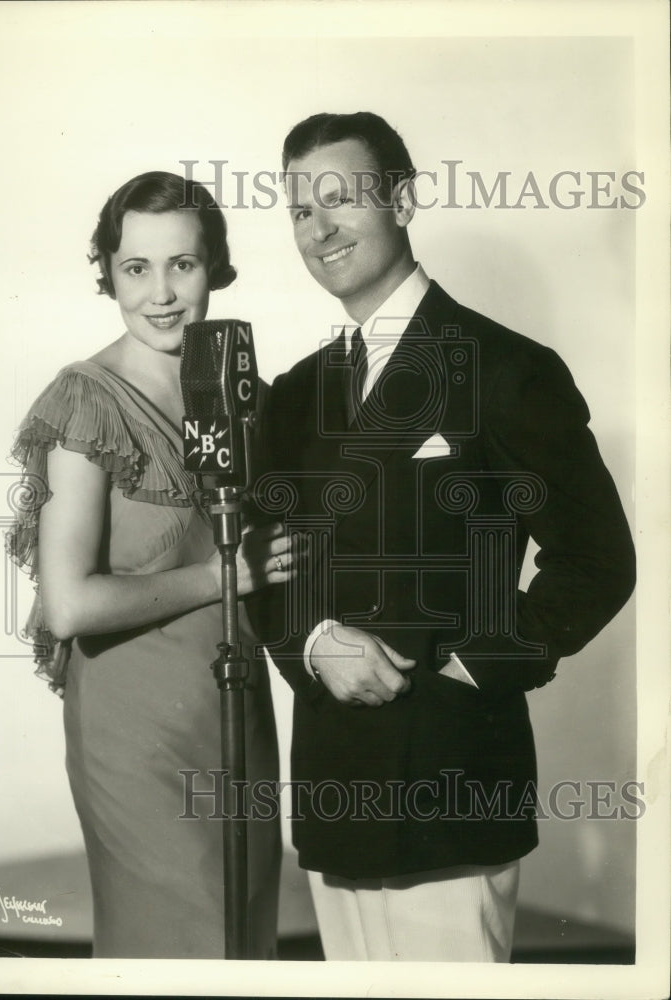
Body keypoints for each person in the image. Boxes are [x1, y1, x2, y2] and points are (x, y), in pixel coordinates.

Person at [246, 112, 636, 962]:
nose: (319, 228)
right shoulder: (296, 392)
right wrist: (311, 643)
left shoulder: (506, 368)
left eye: (341, 198)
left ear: (404, 199)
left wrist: (468, 668)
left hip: (454, 778)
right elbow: (264, 566)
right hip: (332, 789)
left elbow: (597, 559)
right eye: (300, 210)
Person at [8, 171, 294, 959]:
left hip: (235, 717)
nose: (161, 293)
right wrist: (223, 578)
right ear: (108, 271)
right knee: (177, 944)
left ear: (216, 268)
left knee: (244, 940)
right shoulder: (85, 402)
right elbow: (68, 607)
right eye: (136, 268)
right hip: (134, 733)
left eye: (183, 265)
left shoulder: (242, 393)